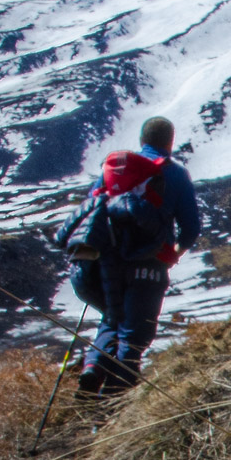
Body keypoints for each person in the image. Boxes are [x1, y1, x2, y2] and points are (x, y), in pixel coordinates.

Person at [78, 116, 201, 396]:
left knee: (112, 320)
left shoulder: (114, 168)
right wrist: (174, 253)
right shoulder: (175, 173)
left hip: (108, 262)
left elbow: (93, 209)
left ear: (142, 141)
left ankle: (92, 369)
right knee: (134, 337)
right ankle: (114, 404)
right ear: (170, 142)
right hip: (149, 265)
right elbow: (191, 228)